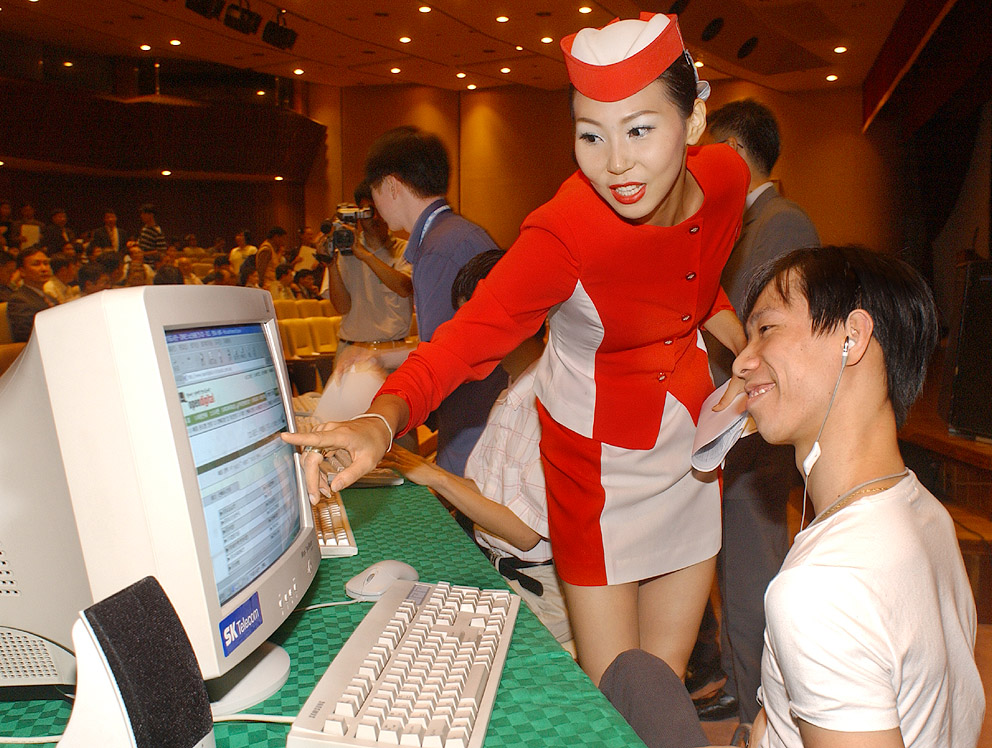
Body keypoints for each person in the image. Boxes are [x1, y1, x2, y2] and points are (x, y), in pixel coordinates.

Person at [284, 12, 749, 685]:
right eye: (592, 135)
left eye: (640, 130)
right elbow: (464, 343)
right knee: (620, 685)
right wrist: (380, 420)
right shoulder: (565, 231)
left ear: (695, 125)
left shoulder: (727, 178)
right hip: (592, 473)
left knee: (664, 680)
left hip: (687, 454)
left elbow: (696, 275)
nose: (615, 162)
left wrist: (743, 343)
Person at [600, 246, 984, 748]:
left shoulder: (823, 591)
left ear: (853, 337)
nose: (742, 360)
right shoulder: (923, 512)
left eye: (768, 329)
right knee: (639, 675)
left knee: (626, 681)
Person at [692, 99, 821, 723]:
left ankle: (759, 714)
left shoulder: (783, 223)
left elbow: (775, 339)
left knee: (752, 575)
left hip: (754, 429)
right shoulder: (747, 222)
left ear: (737, 156)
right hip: (732, 426)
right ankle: (744, 692)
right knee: (733, 573)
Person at [379, 250, 573, 648]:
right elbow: (479, 491)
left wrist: (430, 474)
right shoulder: (510, 390)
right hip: (501, 570)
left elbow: (523, 534)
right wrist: (413, 465)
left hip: (539, 595)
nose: (471, 336)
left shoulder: (553, 399)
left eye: (481, 321)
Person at [322, 181, 414, 376]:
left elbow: (404, 287)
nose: (376, 218)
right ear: (358, 214)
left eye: (381, 209)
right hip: (350, 350)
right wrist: (330, 264)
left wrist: (364, 254)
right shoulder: (343, 250)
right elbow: (342, 307)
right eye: (369, 211)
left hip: (392, 352)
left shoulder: (405, 250)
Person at [7, 247, 57, 342]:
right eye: (36, 264)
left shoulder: (50, 298)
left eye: (46, 264)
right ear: (22, 271)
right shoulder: (19, 300)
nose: (44, 269)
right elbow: (26, 337)